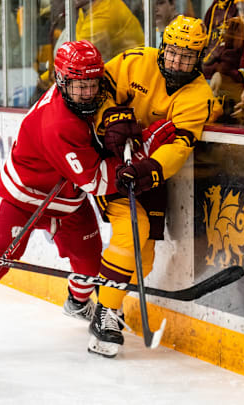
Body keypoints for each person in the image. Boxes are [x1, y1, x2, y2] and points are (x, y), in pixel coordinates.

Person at [0, 40, 123, 339]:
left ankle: (77, 302)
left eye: (92, 84)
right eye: (78, 86)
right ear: (61, 80)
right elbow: (96, 183)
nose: (87, 93)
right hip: (19, 201)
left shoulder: (88, 95)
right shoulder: (58, 123)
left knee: (89, 261)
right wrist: (136, 158)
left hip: (67, 202)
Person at [89, 15, 220, 357]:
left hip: (147, 172)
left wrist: (150, 168)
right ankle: (103, 313)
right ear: (163, 47)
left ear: (199, 57)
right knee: (132, 233)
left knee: (144, 256)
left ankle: (98, 302)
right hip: (108, 160)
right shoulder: (135, 61)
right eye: (173, 53)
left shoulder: (198, 96)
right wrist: (109, 118)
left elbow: (180, 145)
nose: (178, 62)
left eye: (187, 56)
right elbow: (97, 87)